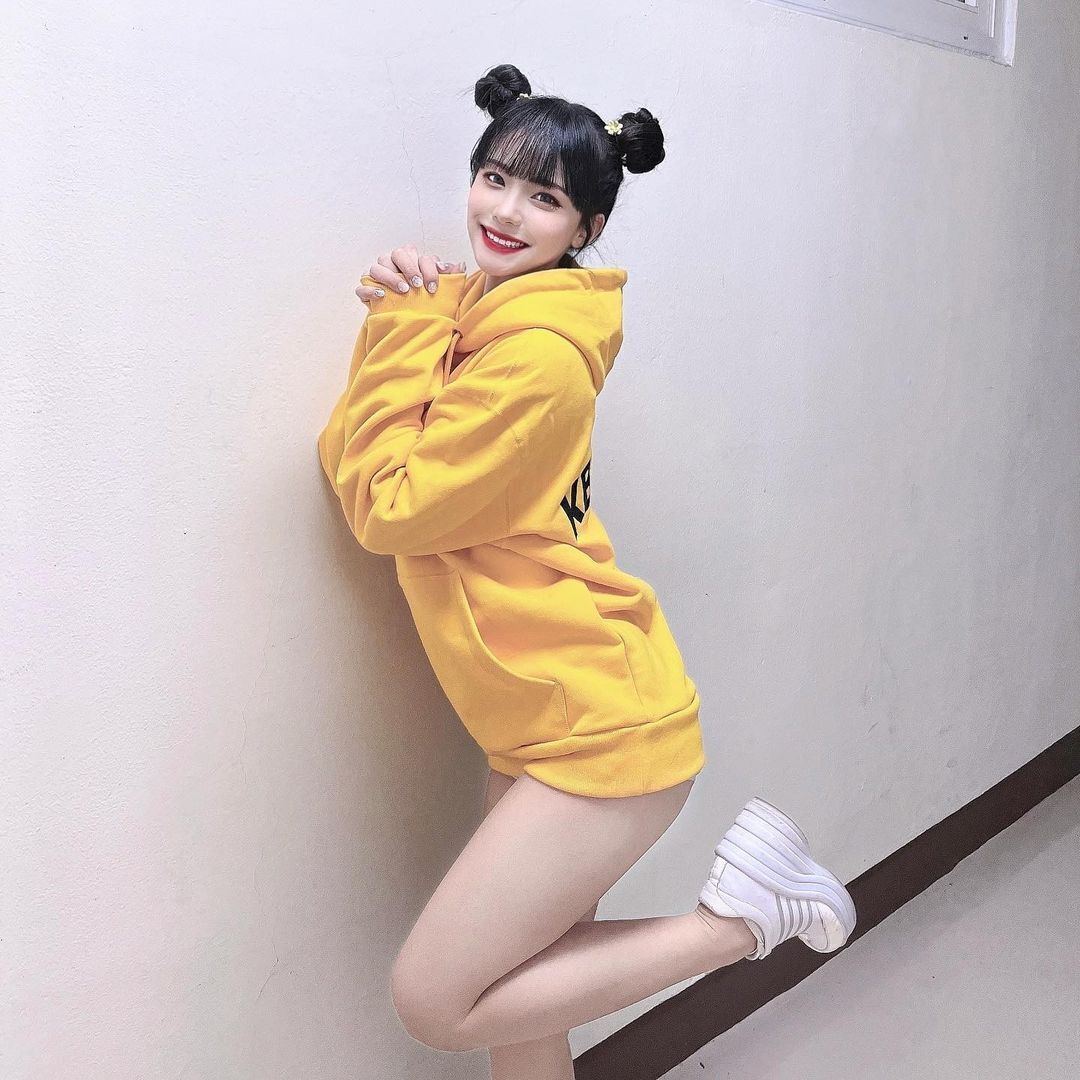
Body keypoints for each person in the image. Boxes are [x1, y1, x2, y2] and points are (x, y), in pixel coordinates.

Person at [316, 62, 856, 1078]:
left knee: (436, 1000)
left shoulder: (539, 359)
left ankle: (740, 922)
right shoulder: (493, 322)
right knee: (524, 1013)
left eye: (545, 198)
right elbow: (382, 453)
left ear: (586, 227)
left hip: (596, 729)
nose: (505, 211)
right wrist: (428, 307)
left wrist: (401, 324)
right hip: (544, 717)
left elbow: (389, 505)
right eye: (494, 178)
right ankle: (740, 920)